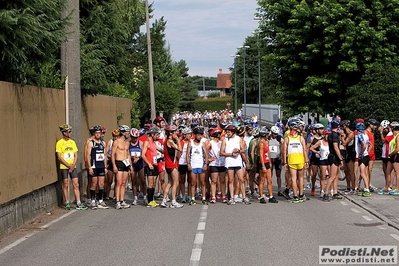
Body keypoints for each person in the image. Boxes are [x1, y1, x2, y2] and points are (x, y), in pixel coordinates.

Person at [56, 124, 87, 210]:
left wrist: (72, 165)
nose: (70, 133)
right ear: (64, 133)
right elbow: (59, 157)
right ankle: (67, 202)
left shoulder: (72, 142)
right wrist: (68, 165)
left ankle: (78, 202)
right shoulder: (59, 143)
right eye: (69, 132)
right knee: (65, 184)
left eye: (70, 131)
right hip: (64, 166)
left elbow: (76, 155)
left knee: (76, 184)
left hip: (73, 166)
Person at [220, 124, 250, 205]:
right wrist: (231, 154)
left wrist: (238, 151)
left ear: (233, 132)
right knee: (231, 180)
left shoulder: (239, 139)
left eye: (229, 132)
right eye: (226, 132)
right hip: (229, 162)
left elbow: (243, 150)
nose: (227, 133)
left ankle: (244, 197)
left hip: (238, 162)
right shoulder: (225, 140)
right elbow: (221, 152)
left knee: (241, 179)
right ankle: (232, 198)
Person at [282, 119, 309, 203]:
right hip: (300, 160)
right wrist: (306, 161)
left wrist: (285, 162)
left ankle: (295, 196)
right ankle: (301, 195)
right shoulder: (301, 138)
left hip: (291, 160)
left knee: (293, 178)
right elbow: (305, 150)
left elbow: (284, 151)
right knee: (300, 178)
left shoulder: (287, 138)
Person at [85, 125, 109, 209]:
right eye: (97, 133)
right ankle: (92, 200)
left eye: (100, 133)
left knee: (101, 183)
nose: (98, 134)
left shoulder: (103, 143)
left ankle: (101, 200)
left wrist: (105, 167)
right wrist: (89, 167)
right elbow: (87, 156)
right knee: (93, 183)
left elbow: (105, 155)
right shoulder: (91, 142)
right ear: (94, 133)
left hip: (101, 166)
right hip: (94, 166)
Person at [161, 125, 184, 208]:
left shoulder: (166, 141)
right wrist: (177, 140)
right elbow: (180, 149)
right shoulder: (170, 141)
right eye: (175, 131)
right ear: (171, 133)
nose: (176, 133)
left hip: (168, 164)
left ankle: (164, 200)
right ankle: (173, 201)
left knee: (170, 182)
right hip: (171, 164)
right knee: (175, 182)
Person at [186, 126, 209, 206]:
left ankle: (203, 198)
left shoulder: (202, 144)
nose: (200, 136)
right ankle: (192, 198)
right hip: (193, 165)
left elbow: (206, 155)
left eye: (201, 135)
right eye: (199, 135)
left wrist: (206, 164)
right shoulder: (190, 143)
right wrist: (188, 164)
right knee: (193, 183)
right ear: (195, 135)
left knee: (203, 182)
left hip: (201, 165)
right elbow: (187, 155)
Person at [111, 125, 132, 209]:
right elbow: (112, 154)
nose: (129, 135)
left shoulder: (127, 143)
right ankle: (117, 201)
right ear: (123, 133)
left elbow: (128, 154)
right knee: (118, 182)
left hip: (125, 163)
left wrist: (130, 165)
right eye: (127, 133)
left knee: (124, 183)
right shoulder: (117, 142)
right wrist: (114, 165)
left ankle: (122, 200)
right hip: (119, 162)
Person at [323, 120, 345, 201]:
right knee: (332, 176)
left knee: (336, 176)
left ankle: (335, 192)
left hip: (333, 155)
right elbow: (336, 147)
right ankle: (326, 193)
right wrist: (340, 158)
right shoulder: (334, 135)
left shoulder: (331, 134)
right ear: (338, 126)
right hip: (334, 156)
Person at [142, 127, 162, 207]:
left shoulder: (153, 142)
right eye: (157, 135)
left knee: (154, 183)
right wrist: (148, 163)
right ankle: (149, 200)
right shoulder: (147, 142)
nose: (158, 137)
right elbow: (143, 155)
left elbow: (160, 149)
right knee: (150, 183)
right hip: (149, 165)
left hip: (155, 164)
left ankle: (152, 199)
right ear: (152, 134)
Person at [258, 126, 278, 203]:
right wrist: (263, 166)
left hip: (267, 162)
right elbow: (261, 155)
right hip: (262, 163)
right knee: (262, 180)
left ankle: (271, 196)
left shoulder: (267, 142)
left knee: (269, 180)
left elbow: (268, 152)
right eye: (267, 134)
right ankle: (261, 196)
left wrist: (269, 162)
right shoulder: (261, 143)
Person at [208, 127, 226, 203]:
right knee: (214, 181)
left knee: (222, 180)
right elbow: (204, 151)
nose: (220, 135)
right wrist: (209, 159)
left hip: (222, 163)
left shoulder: (221, 143)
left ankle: (224, 196)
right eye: (219, 134)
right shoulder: (210, 143)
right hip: (213, 164)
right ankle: (213, 196)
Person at [129, 128, 146, 206]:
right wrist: (132, 157)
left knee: (142, 180)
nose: (135, 139)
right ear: (130, 136)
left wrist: (138, 158)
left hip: (140, 163)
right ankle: (135, 197)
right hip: (132, 164)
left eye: (136, 137)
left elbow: (143, 153)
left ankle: (145, 196)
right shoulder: (128, 144)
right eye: (133, 137)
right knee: (134, 180)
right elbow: (126, 154)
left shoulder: (141, 143)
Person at [378, 120, 395, 194]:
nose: (384, 130)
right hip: (385, 154)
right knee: (386, 171)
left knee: (389, 172)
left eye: (384, 129)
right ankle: (387, 185)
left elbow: (383, 141)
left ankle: (389, 186)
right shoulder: (389, 134)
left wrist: (381, 133)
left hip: (388, 154)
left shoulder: (390, 134)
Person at [104, 129, 119, 202]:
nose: (115, 137)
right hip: (110, 162)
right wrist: (111, 156)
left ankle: (115, 196)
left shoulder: (120, 142)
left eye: (117, 136)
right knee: (109, 180)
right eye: (114, 136)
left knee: (117, 180)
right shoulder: (110, 142)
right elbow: (105, 153)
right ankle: (107, 195)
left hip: (118, 162)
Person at [178, 127, 192, 203]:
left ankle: (189, 195)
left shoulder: (191, 142)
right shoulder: (180, 142)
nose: (190, 135)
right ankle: (183, 196)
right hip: (181, 163)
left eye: (190, 134)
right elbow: (178, 153)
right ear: (184, 135)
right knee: (182, 180)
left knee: (190, 180)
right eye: (188, 134)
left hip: (189, 163)